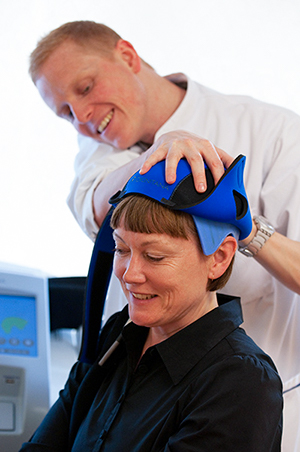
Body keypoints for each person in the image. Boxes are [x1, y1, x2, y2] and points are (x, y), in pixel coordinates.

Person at [29, 21, 300, 450]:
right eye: (64, 113)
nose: (80, 118)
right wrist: (166, 146)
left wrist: (248, 228)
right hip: (138, 366)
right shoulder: (98, 151)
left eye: (84, 88)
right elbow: (99, 206)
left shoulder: (277, 134)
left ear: (128, 55)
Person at [20, 157, 283, 451]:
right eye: (121, 249)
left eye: (155, 256)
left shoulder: (240, 382)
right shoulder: (119, 334)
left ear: (219, 257)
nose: (130, 274)